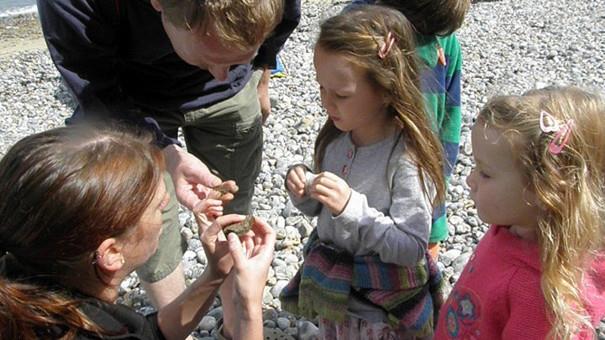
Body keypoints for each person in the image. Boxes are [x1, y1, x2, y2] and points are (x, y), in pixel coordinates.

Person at [35, 0, 301, 327]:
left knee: (233, 208)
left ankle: (237, 321)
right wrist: (165, 150)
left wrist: (259, 72)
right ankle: (173, 330)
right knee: (148, 221)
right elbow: (95, 90)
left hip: (229, 105)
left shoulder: (230, 68)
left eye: (236, 60)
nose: (220, 75)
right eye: (211, 58)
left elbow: (286, 16)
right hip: (130, 97)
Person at [0, 125, 275, 340]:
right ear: (112, 253)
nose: (168, 203)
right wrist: (249, 305)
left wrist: (215, 272)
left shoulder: (20, 274)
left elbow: (149, 333)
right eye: (158, 207)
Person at [279, 6, 446, 339]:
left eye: (341, 94)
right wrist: (305, 192)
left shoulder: (406, 157)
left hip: (380, 314)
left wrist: (351, 209)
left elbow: (411, 247)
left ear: (386, 89)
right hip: (337, 300)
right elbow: (324, 211)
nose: (327, 103)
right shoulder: (335, 139)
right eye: (321, 89)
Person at [435, 86, 605, 339]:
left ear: (544, 189)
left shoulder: (542, 299)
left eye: (485, 172)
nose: (470, 180)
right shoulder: (512, 226)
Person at [348, 0, 470, 260]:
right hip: (366, 178)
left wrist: (439, 181)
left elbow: (450, 118)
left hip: (422, 174)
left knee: (420, 262)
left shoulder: (444, 39)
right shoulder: (360, 23)